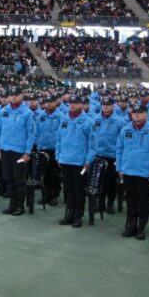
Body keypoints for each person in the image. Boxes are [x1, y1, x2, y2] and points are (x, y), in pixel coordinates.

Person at [115, 104, 149, 239]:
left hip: (145, 174)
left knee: (143, 202)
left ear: (145, 114)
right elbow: (119, 149)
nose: (136, 115)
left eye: (139, 112)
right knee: (131, 201)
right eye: (134, 112)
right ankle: (131, 226)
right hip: (128, 172)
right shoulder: (125, 130)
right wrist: (119, 168)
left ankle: (141, 229)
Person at [0, 88, 35, 216]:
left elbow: (31, 134)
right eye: (11, 95)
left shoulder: (27, 113)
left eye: (16, 95)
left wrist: (27, 152)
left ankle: (20, 206)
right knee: (8, 178)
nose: (13, 97)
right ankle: (12, 204)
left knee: (19, 180)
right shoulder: (4, 111)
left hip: (19, 152)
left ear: (22, 95)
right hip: (5, 150)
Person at [56, 96, 94, 227]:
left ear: (82, 105)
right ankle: (69, 214)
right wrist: (58, 156)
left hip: (80, 162)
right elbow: (59, 139)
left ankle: (78, 216)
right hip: (66, 160)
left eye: (75, 103)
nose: (72, 105)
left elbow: (92, 144)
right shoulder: (64, 119)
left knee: (79, 190)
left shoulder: (88, 122)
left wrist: (88, 161)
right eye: (71, 103)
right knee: (68, 189)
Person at [90, 97, 123, 214]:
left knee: (110, 182)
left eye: (108, 104)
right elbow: (92, 136)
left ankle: (109, 204)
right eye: (103, 104)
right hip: (98, 155)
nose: (105, 106)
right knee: (99, 181)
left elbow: (122, 142)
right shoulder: (95, 119)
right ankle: (101, 203)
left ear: (113, 106)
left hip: (112, 156)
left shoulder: (119, 121)